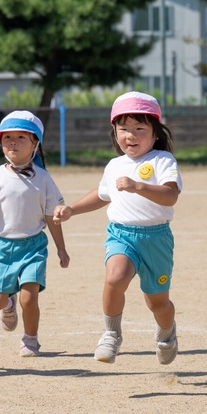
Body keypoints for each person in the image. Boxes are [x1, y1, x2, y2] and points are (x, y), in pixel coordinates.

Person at [53, 91, 182, 366]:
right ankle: (111, 334)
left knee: (157, 303)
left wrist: (139, 186)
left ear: (156, 132)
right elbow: (102, 195)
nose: (130, 136)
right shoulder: (114, 165)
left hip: (156, 238)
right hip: (121, 234)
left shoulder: (162, 161)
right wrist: (72, 209)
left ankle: (166, 334)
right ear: (114, 131)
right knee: (115, 277)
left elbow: (170, 196)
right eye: (124, 129)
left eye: (139, 128)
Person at [0, 111, 70, 357]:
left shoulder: (43, 178)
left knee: (29, 297)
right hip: (2, 248)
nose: (13, 142)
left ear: (35, 143)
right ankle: (8, 304)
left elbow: (51, 216)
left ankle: (31, 340)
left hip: (33, 246)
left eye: (21, 137)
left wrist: (61, 248)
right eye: (7, 137)